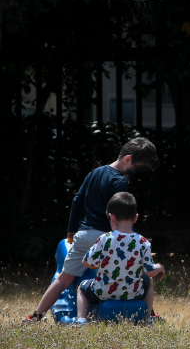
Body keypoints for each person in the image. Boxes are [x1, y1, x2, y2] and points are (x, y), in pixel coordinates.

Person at [24, 137, 159, 323]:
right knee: (133, 272)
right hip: (105, 237)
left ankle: (36, 315)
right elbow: (120, 217)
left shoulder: (95, 172)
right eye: (138, 168)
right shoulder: (119, 182)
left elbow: (77, 201)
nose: (136, 174)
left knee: (63, 279)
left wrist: (71, 231)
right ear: (127, 160)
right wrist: (135, 236)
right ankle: (149, 314)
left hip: (84, 235)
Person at [75, 192, 166, 324]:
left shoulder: (104, 239)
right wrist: (160, 267)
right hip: (133, 293)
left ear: (111, 218)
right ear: (136, 218)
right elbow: (150, 271)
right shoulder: (143, 242)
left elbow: (85, 263)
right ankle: (147, 318)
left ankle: (81, 320)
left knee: (82, 287)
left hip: (104, 291)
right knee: (149, 280)